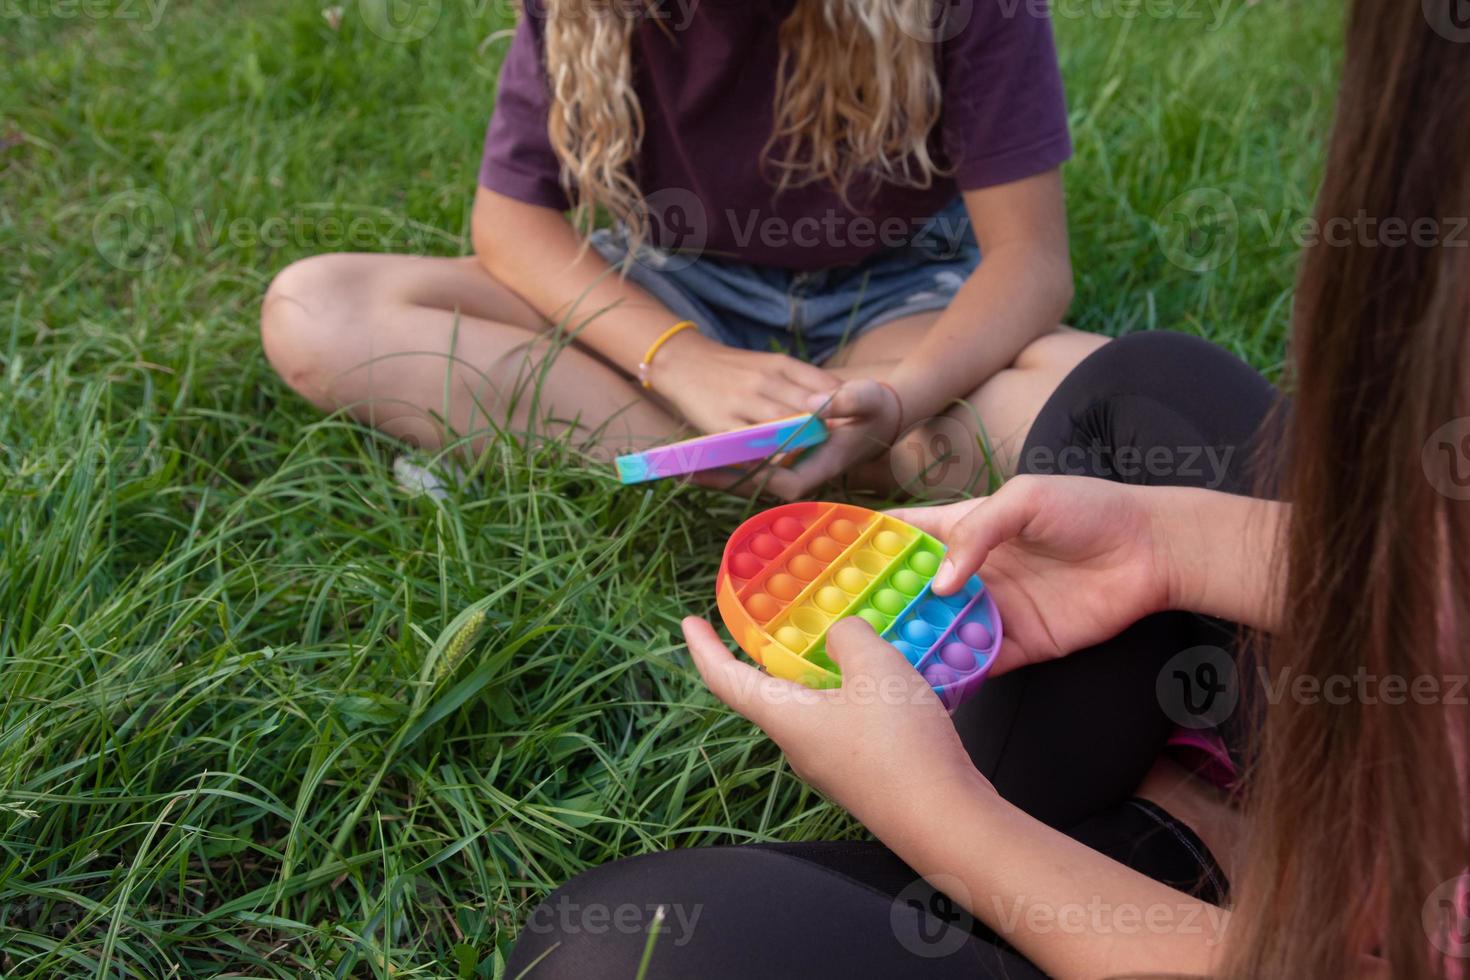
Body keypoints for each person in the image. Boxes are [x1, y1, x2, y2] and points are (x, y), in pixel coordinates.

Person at [503, 0, 1469, 975]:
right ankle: (1199, 825)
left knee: (601, 953)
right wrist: (1166, 544)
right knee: (1147, 390)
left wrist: (943, 818)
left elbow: (1028, 256)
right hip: (1374, 796)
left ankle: (1155, 846)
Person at [259, 0, 1106, 499]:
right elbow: (511, 223)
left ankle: (837, 439)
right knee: (318, 311)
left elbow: (1028, 259)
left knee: (1103, 407)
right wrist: (680, 361)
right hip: (666, 291)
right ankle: (738, 457)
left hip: (899, 309)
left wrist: (900, 395)